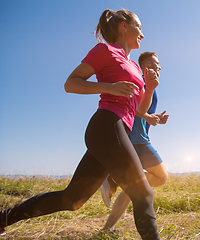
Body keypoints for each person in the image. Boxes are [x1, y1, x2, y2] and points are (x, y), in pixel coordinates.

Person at [0, 9, 161, 240]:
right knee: (143, 193)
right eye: (140, 27)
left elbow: (140, 110)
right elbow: (71, 83)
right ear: (124, 26)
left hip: (117, 131)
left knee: (72, 200)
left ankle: (3, 218)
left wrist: (151, 87)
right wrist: (109, 87)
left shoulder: (135, 67)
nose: (143, 35)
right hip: (106, 126)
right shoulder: (105, 51)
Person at [100, 51, 169, 231]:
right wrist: (147, 116)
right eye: (157, 62)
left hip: (135, 138)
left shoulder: (148, 83)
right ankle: (113, 180)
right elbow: (136, 108)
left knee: (134, 188)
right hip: (138, 140)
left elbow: (139, 112)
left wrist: (153, 118)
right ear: (147, 64)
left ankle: (107, 229)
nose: (160, 67)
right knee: (161, 177)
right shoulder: (142, 81)